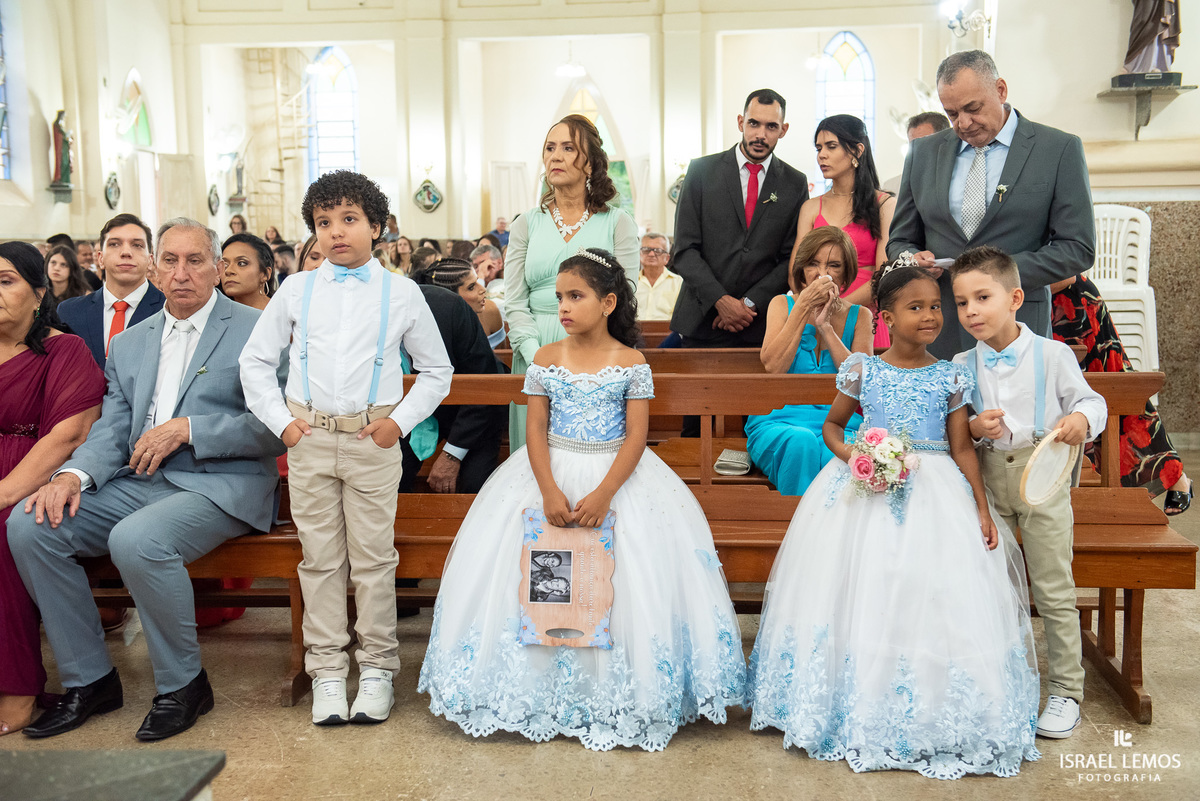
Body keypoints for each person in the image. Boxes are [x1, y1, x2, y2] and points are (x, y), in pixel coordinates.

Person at [419, 248, 745, 751]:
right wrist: (549, 489)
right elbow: (535, 429)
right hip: (548, 473)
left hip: (617, 479)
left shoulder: (631, 362)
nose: (564, 307)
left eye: (576, 296)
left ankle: (613, 692)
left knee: (621, 580)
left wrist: (605, 492)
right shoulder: (546, 359)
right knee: (536, 574)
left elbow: (636, 436)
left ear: (608, 302)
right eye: (559, 298)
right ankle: (536, 690)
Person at [749, 257, 1041, 778]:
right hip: (865, 490)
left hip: (937, 491)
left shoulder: (950, 375)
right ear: (885, 317)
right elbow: (833, 427)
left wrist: (980, 506)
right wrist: (859, 456)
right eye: (915, 308)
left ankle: (935, 706)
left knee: (929, 588)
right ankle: (855, 698)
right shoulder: (863, 370)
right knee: (867, 583)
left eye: (935, 307)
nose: (929, 317)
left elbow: (962, 447)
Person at [10, 218, 285, 742]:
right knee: (32, 526)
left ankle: (184, 686)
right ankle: (90, 679)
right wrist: (71, 475)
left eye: (195, 261)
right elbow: (113, 428)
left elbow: (277, 425)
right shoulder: (130, 343)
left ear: (217, 269)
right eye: (171, 261)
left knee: (136, 540)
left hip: (222, 483)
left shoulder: (257, 329)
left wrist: (190, 429)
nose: (182, 274)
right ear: (155, 269)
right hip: (141, 479)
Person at [240, 170, 452, 727]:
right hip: (309, 439)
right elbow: (255, 362)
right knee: (320, 561)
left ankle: (378, 669)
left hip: (370, 441)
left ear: (376, 226)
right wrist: (283, 424)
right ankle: (328, 671)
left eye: (349, 219)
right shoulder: (297, 289)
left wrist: (396, 424)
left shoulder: (401, 293)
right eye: (324, 222)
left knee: (374, 561)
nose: (336, 231)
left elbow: (437, 370)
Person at [951, 246, 1107, 739]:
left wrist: (1080, 418)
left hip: (1042, 481)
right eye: (961, 302)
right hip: (987, 482)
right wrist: (974, 426)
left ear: (1015, 298)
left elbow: (1092, 401)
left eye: (983, 297)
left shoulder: (1052, 355)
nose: (971, 311)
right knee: (991, 584)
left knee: (1054, 587)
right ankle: (1000, 678)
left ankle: (1066, 690)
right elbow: (956, 431)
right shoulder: (961, 363)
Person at [887, 50, 1095, 359]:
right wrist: (911, 259)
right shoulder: (923, 154)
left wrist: (999, 275)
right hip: (941, 328)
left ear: (1000, 90)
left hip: (1017, 324)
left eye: (973, 108)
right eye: (952, 114)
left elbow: (1078, 248)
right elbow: (899, 241)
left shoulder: (1057, 149)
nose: (963, 123)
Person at [0, 242, 106, 736]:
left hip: (34, 475)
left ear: (39, 293)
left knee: (5, 530)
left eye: (6, 281)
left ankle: (16, 687)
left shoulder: (65, 349)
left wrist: (5, 492)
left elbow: (69, 434)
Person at [505, 114, 639, 450]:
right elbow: (515, 301)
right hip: (534, 348)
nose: (555, 156)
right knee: (534, 455)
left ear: (590, 163)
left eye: (567, 148)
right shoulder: (526, 224)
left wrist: (589, 356)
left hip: (596, 352)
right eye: (550, 148)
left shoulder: (617, 222)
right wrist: (536, 356)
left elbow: (626, 295)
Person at [670, 89, 809, 352]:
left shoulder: (794, 183)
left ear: (783, 130)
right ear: (740, 122)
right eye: (753, 123)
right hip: (702, 320)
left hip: (760, 324)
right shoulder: (701, 172)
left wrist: (748, 304)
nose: (760, 134)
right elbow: (684, 250)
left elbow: (791, 258)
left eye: (771, 126)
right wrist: (721, 300)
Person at [744, 227, 871, 496]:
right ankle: (797, 521)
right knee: (800, 443)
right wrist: (803, 307)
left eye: (833, 265)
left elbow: (863, 382)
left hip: (842, 425)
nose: (821, 273)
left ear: (845, 274)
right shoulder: (781, 304)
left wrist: (826, 327)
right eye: (813, 263)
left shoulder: (861, 316)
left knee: (834, 455)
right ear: (802, 270)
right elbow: (773, 366)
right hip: (778, 422)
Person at [1051, 274, 1192, 511]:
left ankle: (1171, 473)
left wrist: (1008, 285)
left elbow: (1069, 269)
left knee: (1114, 391)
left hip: (1068, 303)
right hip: (1018, 306)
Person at [792, 115, 894, 349]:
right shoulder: (811, 207)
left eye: (831, 146)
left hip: (866, 314)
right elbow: (796, 272)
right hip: (816, 316)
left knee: (862, 371)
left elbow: (883, 275)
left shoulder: (884, 204)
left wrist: (839, 309)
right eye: (818, 148)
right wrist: (817, 310)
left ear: (857, 150)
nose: (822, 155)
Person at [401, 267, 506, 494]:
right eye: (471, 286)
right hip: (413, 414)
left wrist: (451, 455)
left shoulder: (449, 310)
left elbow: (482, 388)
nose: (482, 290)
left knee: (473, 485)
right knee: (391, 476)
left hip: (473, 414)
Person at [57, 213, 166, 368]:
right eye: (115, 244)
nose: (126, 252)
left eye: (137, 245)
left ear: (150, 260)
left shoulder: (169, 311)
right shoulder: (70, 312)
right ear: (100, 258)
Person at [413, 257, 506, 349]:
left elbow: (503, 356)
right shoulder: (428, 329)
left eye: (477, 281)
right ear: (449, 296)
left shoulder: (490, 311)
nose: (483, 289)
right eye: (471, 287)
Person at [634, 232, 682, 322]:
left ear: (667, 258)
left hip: (667, 330)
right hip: (634, 330)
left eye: (658, 251)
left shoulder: (679, 283)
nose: (651, 254)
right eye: (646, 249)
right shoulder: (631, 282)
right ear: (639, 254)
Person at [221, 233, 275, 311]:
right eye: (225, 265)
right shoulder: (213, 314)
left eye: (241, 263)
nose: (228, 271)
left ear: (265, 274)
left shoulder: (284, 314)